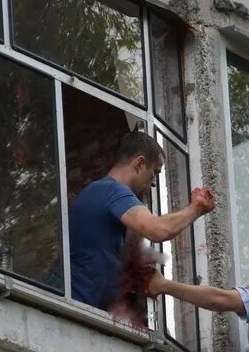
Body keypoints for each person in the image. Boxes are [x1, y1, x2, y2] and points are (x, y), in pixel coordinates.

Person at [68, 131, 214, 312]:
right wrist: (196, 208)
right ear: (139, 164)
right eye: (154, 172)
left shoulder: (97, 192)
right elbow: (158, 229)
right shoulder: (113, 191)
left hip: (81, 304)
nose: (153, 183)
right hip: (78, 304)